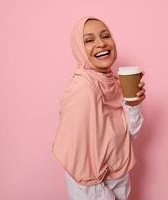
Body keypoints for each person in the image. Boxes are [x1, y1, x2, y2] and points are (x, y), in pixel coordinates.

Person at [51, 16, 146, 200]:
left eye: (105, 35)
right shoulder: (83, 89)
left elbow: (130, 133)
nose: (101, 43)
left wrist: (133, 104)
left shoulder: (114, 83)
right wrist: (99, 191)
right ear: (79, 48)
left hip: (118, 173)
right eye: (89, 40)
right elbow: (78, 154)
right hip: (91, 184)